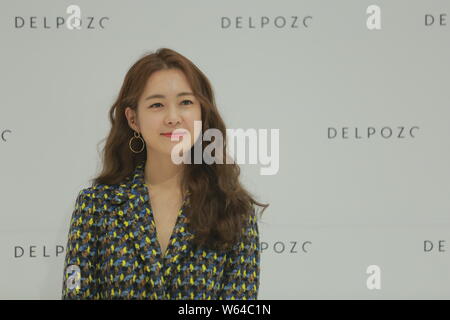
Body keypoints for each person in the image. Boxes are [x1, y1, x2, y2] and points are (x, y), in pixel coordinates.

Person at [61, 48, 269, 300]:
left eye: (185, 103)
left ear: (202, 114)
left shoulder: (233, 209)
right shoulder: (97, 205)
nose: (173, 118)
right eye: (157, 105)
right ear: (133, 119)